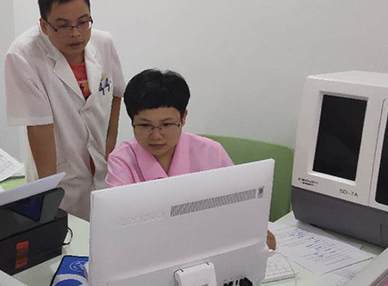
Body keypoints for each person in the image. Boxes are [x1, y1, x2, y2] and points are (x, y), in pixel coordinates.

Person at [106, 69, 276, 249]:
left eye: (166, 125)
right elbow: (120, 224)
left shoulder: (212, 152)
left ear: (184, 117)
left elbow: (238, 207)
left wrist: (254, 231)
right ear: (132, 121)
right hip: (148, 249)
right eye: (144, 125)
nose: (156, 136)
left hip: (207, 246)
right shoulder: (121, 160)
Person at [5, 0, 125, 221]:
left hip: (101, 171)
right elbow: (39, 127)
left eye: (83, 22)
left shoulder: (103, 42)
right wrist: (48, 194)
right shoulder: (23, 55)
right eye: (63, 26)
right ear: (44, 25)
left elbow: (116, 94)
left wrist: (109, 149)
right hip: (60, 176)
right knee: (64, 234)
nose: (76, 34)